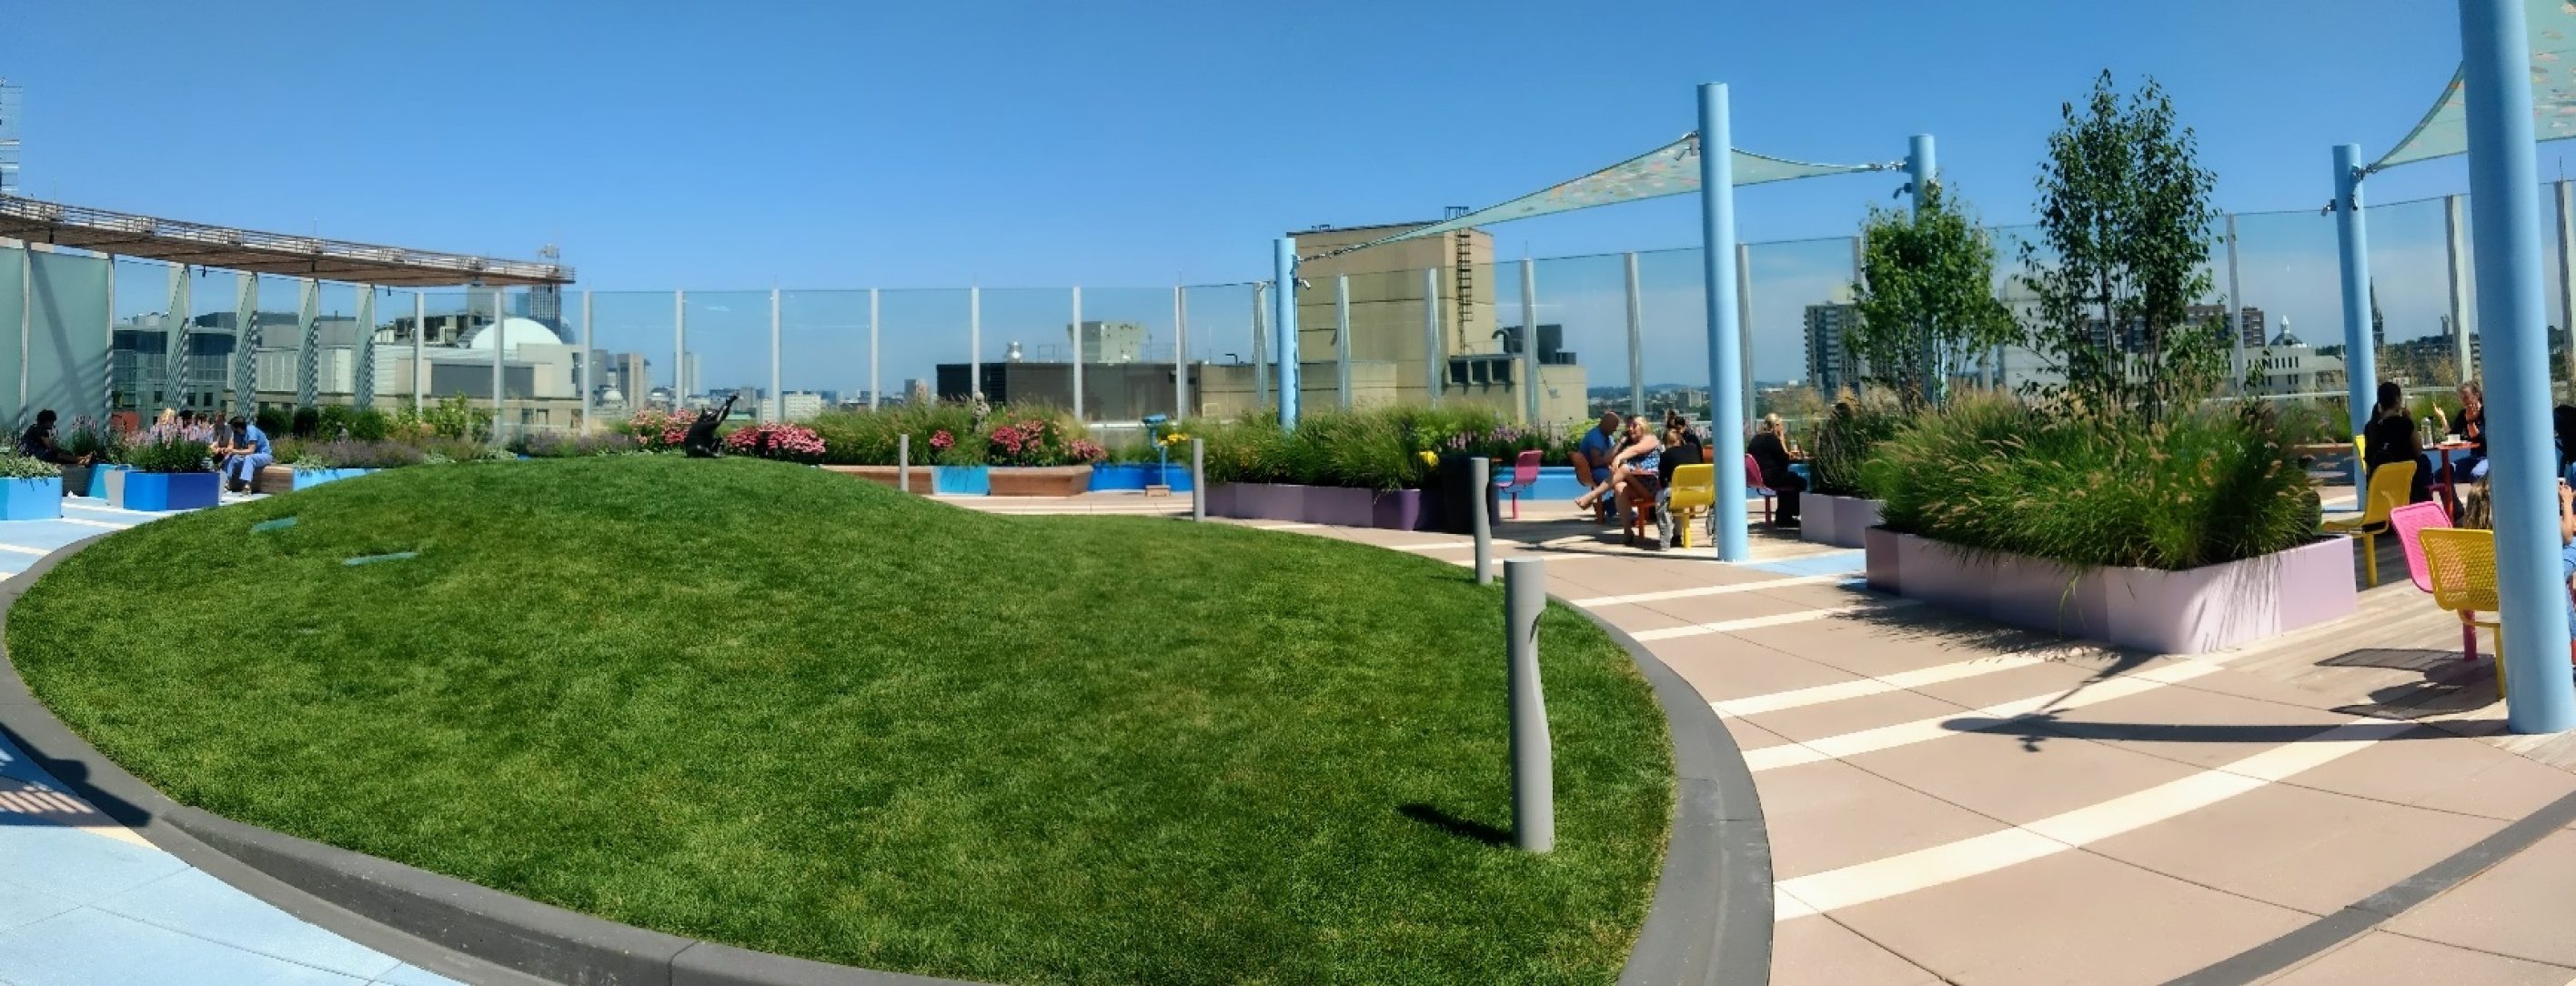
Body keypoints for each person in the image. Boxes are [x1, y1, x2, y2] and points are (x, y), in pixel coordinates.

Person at [2362, 380, 2432, 504]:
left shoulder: (2370, 427)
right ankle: (2425, 498)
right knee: (2424, 460)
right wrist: (2410, 420)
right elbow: (2418, 450)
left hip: (2379, 488)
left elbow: (2368, 462)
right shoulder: (2404, 424)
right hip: (2406, 488)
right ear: (2396, 399)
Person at [1748, 412, 1806, 528]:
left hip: (1759, 477)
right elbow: (1784, 460)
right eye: (1780, 425)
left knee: (1788, 477)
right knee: (1800, 481)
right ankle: (1788, 516)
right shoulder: (1772, 439)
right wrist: (1782, 440)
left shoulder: (1756, 438)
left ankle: (1783, 516)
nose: (1782, 428)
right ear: (1775, 425)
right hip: (1770, 477)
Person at [1605, 415, 1663, 531]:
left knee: (1625, 469)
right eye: (1628, 426)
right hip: (1636, 485)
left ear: (1643, 426)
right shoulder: (1628, 444)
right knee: (1619, 487)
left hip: (1653, 487)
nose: (1630, 429)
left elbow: (1636, 450)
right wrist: (1620, 441)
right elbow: (1607, 458)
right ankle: (1628, 531)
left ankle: (1594, 495)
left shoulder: (1650, 439)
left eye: (1634, 425)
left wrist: (1619, 458)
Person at [1571, 410, 1627, 521]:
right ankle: (1629, 515)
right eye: (1614, 426)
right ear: (1606, 424)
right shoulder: (1595, 437)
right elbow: (1596, 462)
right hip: (1594, 471)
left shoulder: (1607, 437)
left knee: (1629, 481)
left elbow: (1611, 456)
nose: (1615, 429)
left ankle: (1606, 506)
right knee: (1622, 483)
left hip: (1602, 469)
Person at [213, 415, 271, 493]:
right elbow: (236, 449)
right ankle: (224, 483)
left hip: (264, 455)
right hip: (249, 456)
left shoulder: (251, 431)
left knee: (249, 458)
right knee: (233, 458)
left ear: (239, 428)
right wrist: (227, 451)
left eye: (232, 427)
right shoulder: (237, 434)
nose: (231, 429)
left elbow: (251, 451)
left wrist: (233, 451)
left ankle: (247, 486)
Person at [19, 410, 88, 466]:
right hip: (33, 454)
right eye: (51, 422)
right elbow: (50, 446)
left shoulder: (33, 427)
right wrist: (62, 451)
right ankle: (81, 459)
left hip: (27, 453)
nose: (52, 424)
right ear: (46, 422)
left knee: (57, 455)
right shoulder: (41, 430)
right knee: (59, 455)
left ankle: (80, 461)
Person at [2458, 380, 2490, 480]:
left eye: (2466, 397)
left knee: (2476, 475)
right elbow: (2454, 434)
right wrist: (2443, 419)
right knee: (2442, 474)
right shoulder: (2463, 414)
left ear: (2477, 395)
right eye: (2461, 398)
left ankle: (2481, 492)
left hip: (2487, 457)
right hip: (2473, 457)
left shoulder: (2486, 412)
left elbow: (2479, 439)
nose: (2464, 401)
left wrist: (2470, 421)